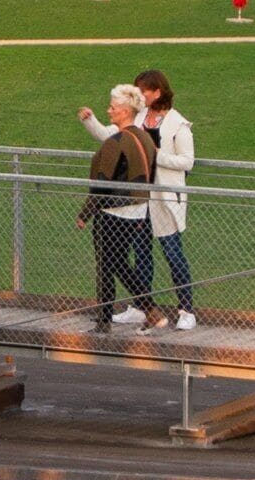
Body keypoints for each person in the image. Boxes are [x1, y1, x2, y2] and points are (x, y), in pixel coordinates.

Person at [96, 67, 198, 328]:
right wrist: (89, 121)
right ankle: (141, 307)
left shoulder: (178, 124)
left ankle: (186, 310)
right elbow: (111, 134)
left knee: (173, 253)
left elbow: (187, 162)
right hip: (141, 199)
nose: (139, 95)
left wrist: (156, 156)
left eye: (144, 91)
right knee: (141, 254)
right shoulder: (139, 118)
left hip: (166, 200)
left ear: (157, 92)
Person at [78, 85, 159, 330]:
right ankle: (149, 310)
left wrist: (85, 213)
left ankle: (108, 321)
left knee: (107, 265)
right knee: (119, 262)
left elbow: (102, 183)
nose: (109, 111)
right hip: (137, 210)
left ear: (124, 111)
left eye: (112, 108)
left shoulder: (117, 141)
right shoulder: (145, 137)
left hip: (113, 211)